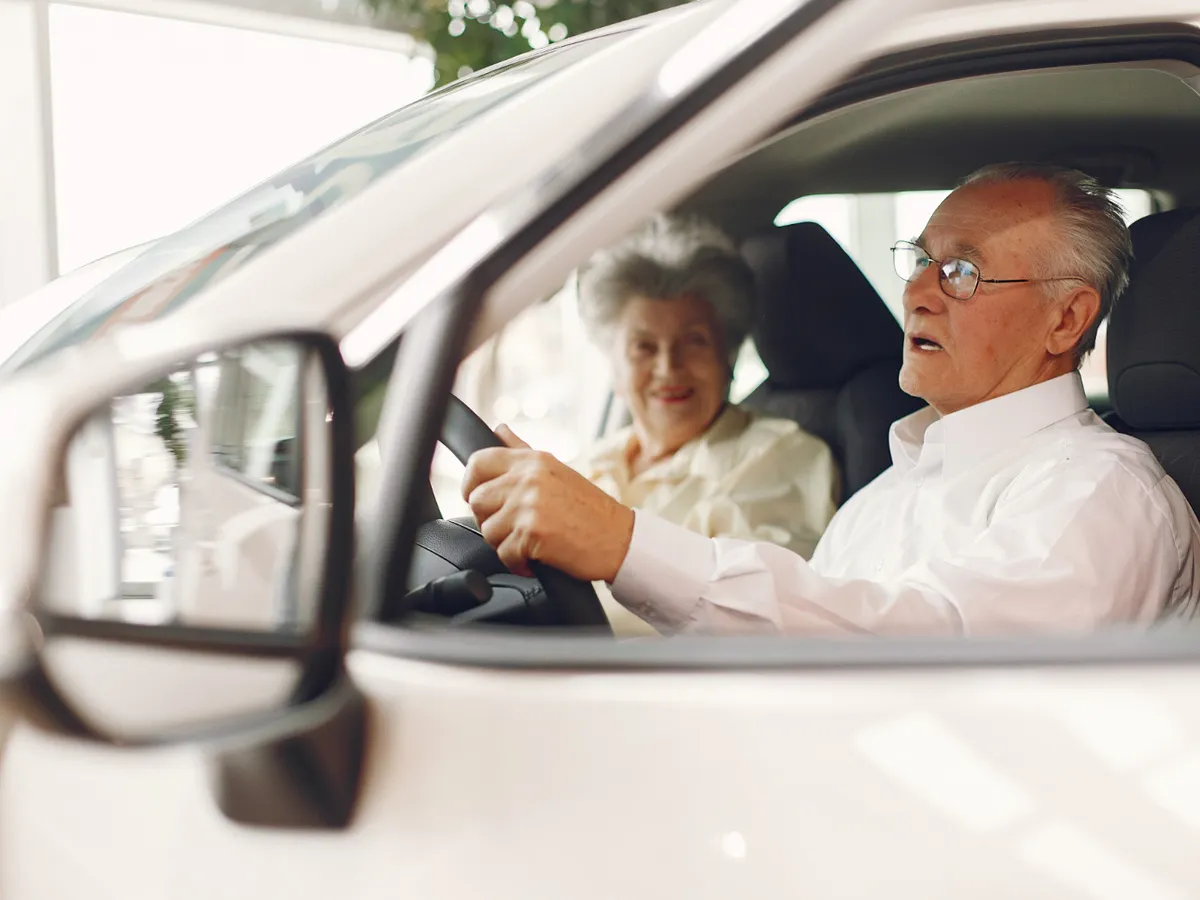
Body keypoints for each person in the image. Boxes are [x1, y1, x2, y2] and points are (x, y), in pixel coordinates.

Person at [463, 163, 1200, 635]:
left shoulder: (1102, 492)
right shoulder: (883, 497)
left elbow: (935, 650)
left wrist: (623, 543)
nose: (916, 292)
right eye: (921, 260)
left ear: (1066, 320)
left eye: (961, 272)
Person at [573, 213, 838, 561]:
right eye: (644, 347)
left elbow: (756, 588)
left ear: (728, 357)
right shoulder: (594, 462)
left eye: (694, 342)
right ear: (615, 367)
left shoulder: (781, 457)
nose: (668, 368)